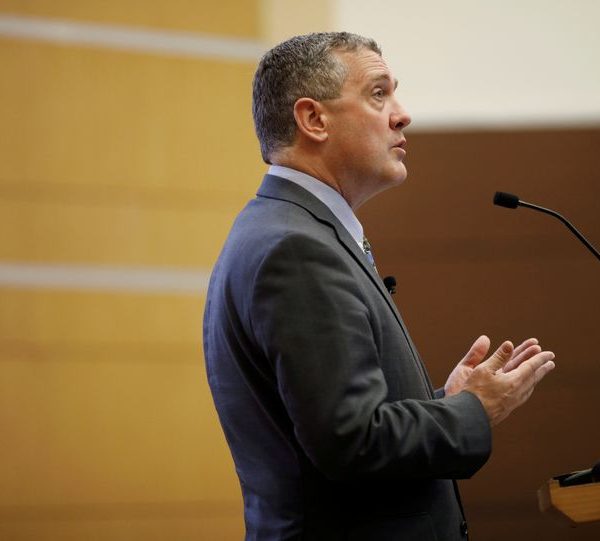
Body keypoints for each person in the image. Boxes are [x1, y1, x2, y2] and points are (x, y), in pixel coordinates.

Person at [203, 32, 555, 541]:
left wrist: (448, 402)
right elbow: (352, 443)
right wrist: (473, 410)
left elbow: (338, 423)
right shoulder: (296, 248)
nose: (402, 115)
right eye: (378, 94)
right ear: (314, 119)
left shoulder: (287, 230)